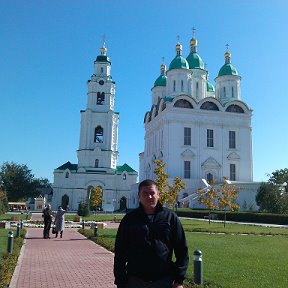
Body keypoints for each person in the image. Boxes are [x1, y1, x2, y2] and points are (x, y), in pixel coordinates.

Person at [114, 179, 189, 288]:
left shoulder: (170, 217)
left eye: (152, 193)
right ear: (139, 196)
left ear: (158, 195)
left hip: (164, 280)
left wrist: (179, 280)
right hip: (135, 280)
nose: (149, 197)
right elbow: (120, 252)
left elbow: (181, 250)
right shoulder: (129, 219)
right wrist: (120, 281)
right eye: (145, 193)